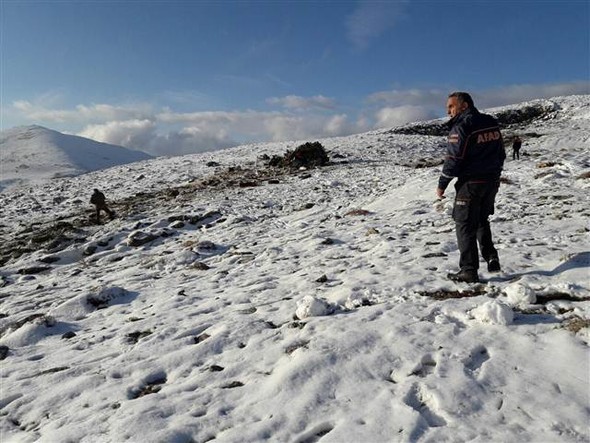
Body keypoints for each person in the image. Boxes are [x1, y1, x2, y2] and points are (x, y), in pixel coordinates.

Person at [436, 92, 506, 283]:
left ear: (464, 106)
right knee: (481, 218)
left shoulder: (461, 127)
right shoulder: (490, 121)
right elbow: (501, 152)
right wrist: (495, 173)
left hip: (471, 183)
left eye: (451, 106)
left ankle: (468, 270)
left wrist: (442, 184)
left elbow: (454, 159)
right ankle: (491, 256)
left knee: (464, 223)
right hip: (491, 181)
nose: (448, 111)